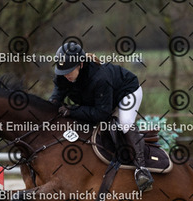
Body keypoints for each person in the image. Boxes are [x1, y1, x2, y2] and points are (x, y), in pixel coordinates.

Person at [48, 42, 154, 192]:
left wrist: (72, 110)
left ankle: (142, 170)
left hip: (126, 91)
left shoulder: (99, 78)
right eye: (63, 72)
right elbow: (56, 98)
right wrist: (50, 107)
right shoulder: (63, 75)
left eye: (69, 71)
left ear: (81, 65)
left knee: (124, 123)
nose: (66, 75)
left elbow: (102, 114)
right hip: (101, 100)